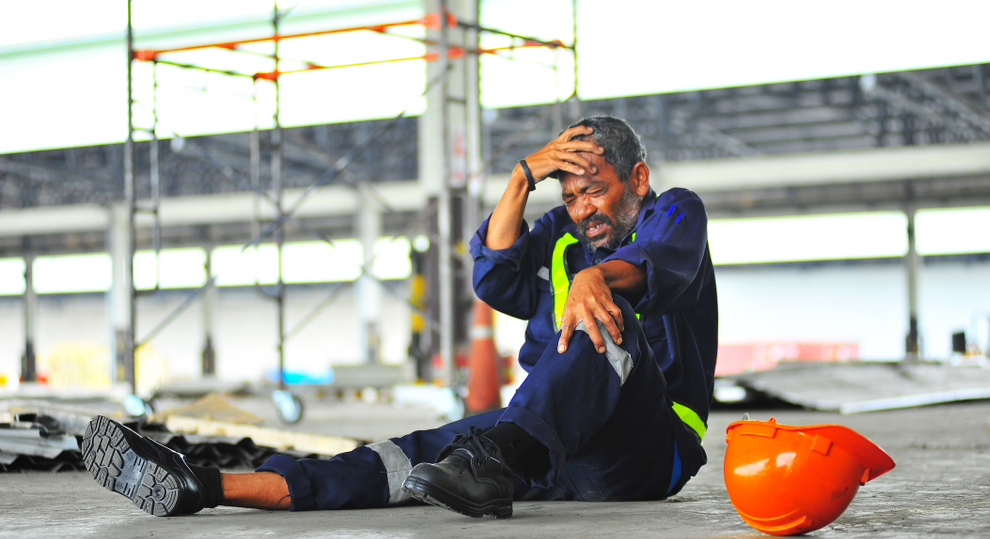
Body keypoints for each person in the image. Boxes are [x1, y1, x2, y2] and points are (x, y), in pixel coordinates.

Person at [82, 115, 718, 519]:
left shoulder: (675, 212)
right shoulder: (561, 234)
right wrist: (524, 178)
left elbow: (665, 265)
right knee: (405, 461)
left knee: (603, 315)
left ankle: (491, 457)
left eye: (596, 188)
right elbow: (493, 274)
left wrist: (592, 277)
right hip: (548, 440)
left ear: (636, 177)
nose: (582, 207)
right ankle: (205, 486)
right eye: (571, 194)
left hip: (649, 449)